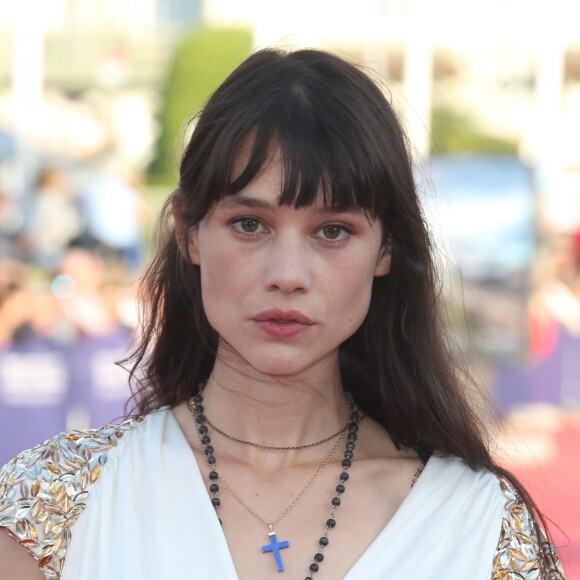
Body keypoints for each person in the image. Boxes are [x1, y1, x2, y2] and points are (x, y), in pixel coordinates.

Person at [0, 49, 564, 579]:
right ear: (189, 232)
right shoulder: (59, 502)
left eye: (333, 231)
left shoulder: (480, 527)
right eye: (250, 224)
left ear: (386, 249)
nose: (287, 273)